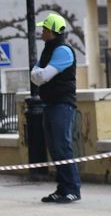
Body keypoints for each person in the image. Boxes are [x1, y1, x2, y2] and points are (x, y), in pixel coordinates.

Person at [30, 13, 81, 204]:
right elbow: (34, 74)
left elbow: (41, 77)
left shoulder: (63, 51)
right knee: (55, 149)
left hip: (62, 105)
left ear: (52, 31)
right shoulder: (48, 50)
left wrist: (39, 74)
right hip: (50, 104)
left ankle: (72, 189)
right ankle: (62, 188)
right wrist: (38, 74)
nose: (42, 32)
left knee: (62, 146)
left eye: (44, 29)